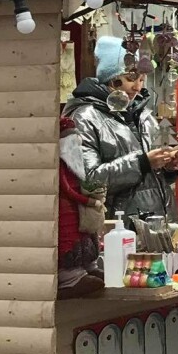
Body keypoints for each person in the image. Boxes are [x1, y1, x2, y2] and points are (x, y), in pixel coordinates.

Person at [69, 36, 178, 221]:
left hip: (160, 223)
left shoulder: (144, 115)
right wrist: (142, 163)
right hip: (117, 228)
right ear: (112, 78)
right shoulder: (85, 118)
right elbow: (89, 182)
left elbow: (155, 178)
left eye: (142, 79)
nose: (138, 86)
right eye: (131, 77)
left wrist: (170, 166)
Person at [57, 114, 105, 298]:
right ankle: (70, 276)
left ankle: (88, 266)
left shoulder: (75, 167)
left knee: (87, 234)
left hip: (79, 211)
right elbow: (68, 190)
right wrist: (88, 200)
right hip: (68, 210)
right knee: (70, 241)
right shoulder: (62, 167)